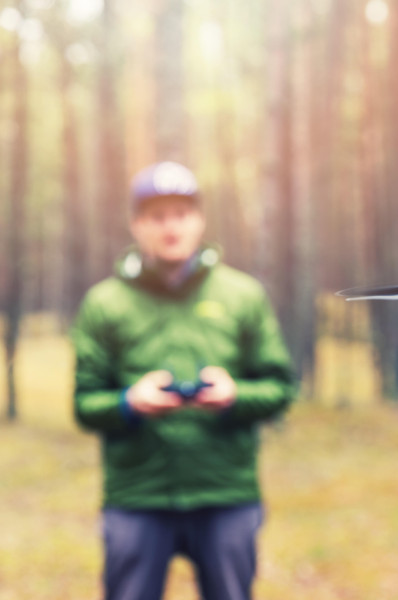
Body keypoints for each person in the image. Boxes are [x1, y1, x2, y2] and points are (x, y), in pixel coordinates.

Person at [72, 161, 295, 600]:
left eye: (180, 214)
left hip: (226, 492)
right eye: (157, 216)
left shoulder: (242, 295)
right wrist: (127, 403)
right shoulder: (104, 303)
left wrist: (235, 396)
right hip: (137, 496)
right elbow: (84, 404)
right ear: (137, 224)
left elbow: (280, 388)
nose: (170, 227)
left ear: (199, 220)